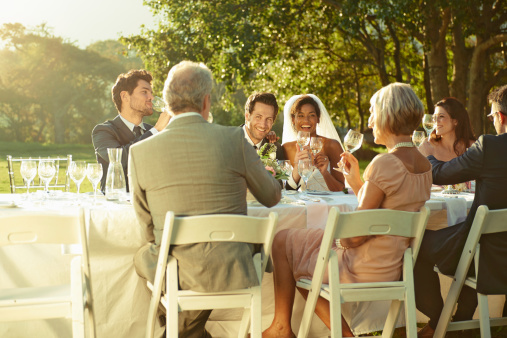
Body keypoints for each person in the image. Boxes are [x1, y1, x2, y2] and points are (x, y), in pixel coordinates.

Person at [263, 83, 431, 337]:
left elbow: (354, 238)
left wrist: (337, 240)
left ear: (388, 115)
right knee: (300, 248)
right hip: (394, 263)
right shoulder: (423, 164)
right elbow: (388, 205)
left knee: (283, 240)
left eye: (373, 113)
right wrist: (356, 183)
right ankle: (288, 328)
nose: (371, 121)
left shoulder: (384, 163)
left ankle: (283, 327)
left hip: (361, 265)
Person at [129, 61, 281, 337]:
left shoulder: (139, 153)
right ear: (206, 101)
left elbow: (148, 230)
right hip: (234, 266)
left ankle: (182, 330)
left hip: (176, 269)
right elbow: (272, 197)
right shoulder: (235, 139)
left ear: (168, 102)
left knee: (143, 256)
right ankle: (194, 332)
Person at [414, 84, 507, 338]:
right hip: (498, 249)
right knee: (477, 248)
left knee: (415, 243)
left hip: (486, 248)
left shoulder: (489, 146)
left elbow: (441, 174)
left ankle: (438, 321)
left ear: (499, 116)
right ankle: (462, 321)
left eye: (491, 116)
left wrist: (426, 153)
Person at [92, 69, 171, 192]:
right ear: (125, 96)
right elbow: (119, 160)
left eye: (151, 92)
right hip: (116, 207)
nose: (151, 97)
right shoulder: (104, 131)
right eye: (144, 92)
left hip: (153, 204)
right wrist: (156, 131)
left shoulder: (155, 131)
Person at [281, 94, 345, 192]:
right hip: (300, 205)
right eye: (301, 115)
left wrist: (325, 173)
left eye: (311, 115)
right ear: (293, 119)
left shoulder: (331, 145)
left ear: (318, 119)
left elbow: (341, 188)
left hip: (328, 205)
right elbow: (284, 188)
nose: (306, 120)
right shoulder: (286, 148)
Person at [242, 92, 285, 159]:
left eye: (269, 119)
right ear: (247, 116)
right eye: (258, 117)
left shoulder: (276, 149)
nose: (263, 125)